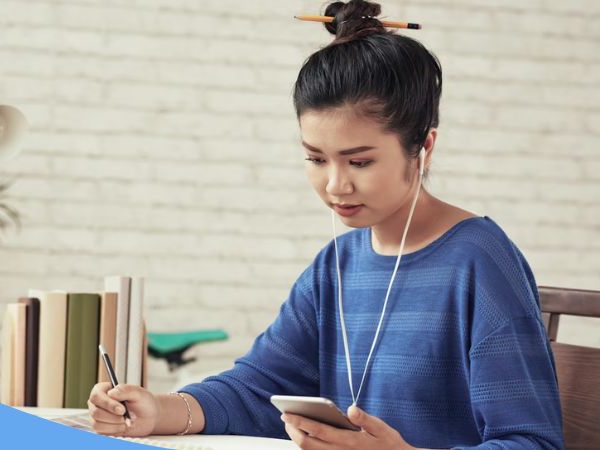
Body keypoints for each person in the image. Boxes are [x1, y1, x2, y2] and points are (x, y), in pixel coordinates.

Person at [87, 1, 565, 448]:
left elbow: (532, 440)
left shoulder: (480, 261)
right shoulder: (337, 265)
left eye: (359, 162)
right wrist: (159, 411)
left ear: (423, 147)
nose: (336, 185)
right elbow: (258, 387)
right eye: (316, 158)